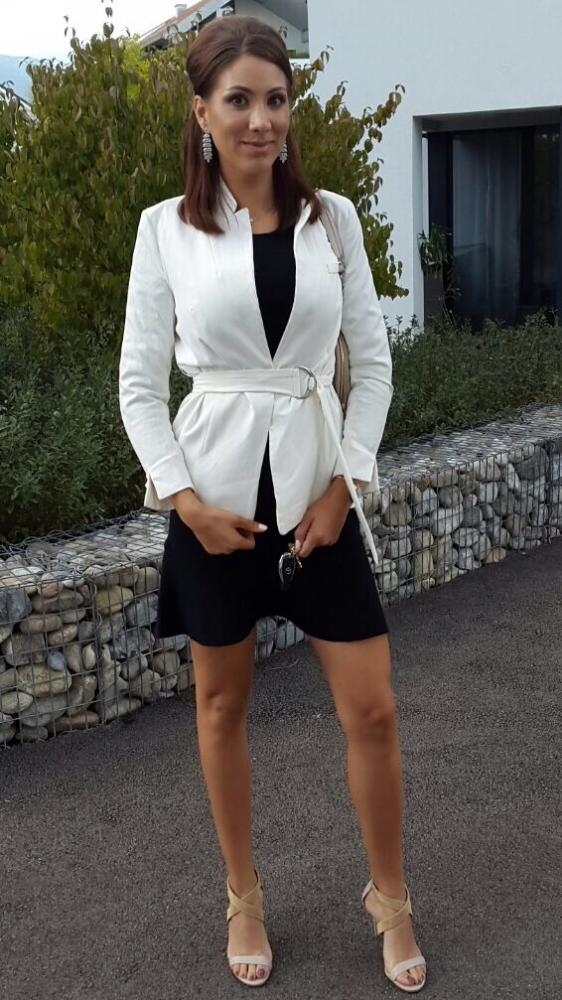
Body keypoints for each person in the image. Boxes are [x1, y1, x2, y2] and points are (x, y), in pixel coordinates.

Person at [119, 14, 426, 993]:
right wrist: (183, 502)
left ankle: (390, 898)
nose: (261, 119)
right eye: (239, 99)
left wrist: (346, 485)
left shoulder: (332, 219)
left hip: (316, 502)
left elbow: (371, 363)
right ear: (202, 112)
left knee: (372, 709)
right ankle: (242, 894)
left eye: (276, 99)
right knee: (220, 706)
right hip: (212, 507)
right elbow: (138, 388)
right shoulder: (163, 230)